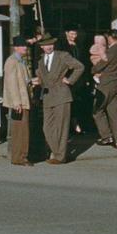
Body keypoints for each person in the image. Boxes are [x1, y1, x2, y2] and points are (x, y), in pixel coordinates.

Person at [32, 35, 84, 164]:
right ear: (41, 47)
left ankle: (60, 156)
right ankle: (57, 151)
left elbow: (79, 67)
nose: (49, 47)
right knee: (47, 127)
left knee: (61, 127)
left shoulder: (62, 55)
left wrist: (70, 80)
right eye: (46, 45)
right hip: (47, 96)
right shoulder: (40, 60)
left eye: (51, 44)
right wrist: (37, 82)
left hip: (62, 95)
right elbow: (41, 77)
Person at [2, 36, 35, 166]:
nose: (25, 48)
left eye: (25, 45)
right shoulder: (12, 61)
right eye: (22, 46)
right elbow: (11, 83)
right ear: (16, 47)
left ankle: (20, 156)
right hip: (20, 102)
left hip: (24, 99)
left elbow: (23, 80)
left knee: (22, 129)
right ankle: (20, 157)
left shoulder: (20, 61)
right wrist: (16, 102)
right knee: (20, 130)